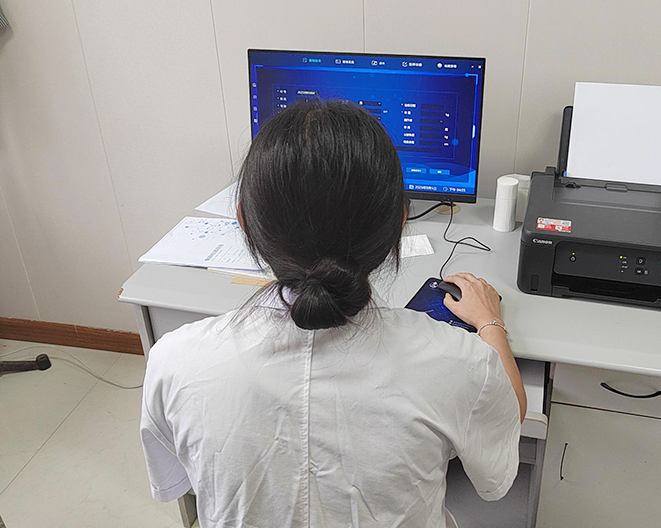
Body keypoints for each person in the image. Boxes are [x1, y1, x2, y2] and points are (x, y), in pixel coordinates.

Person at [140, 100, 526, 528]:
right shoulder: (458, 362)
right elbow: (503, 437)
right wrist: (490, 323)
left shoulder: (174, 361)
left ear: (245, 223)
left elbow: (175, 478)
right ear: (399, 223)